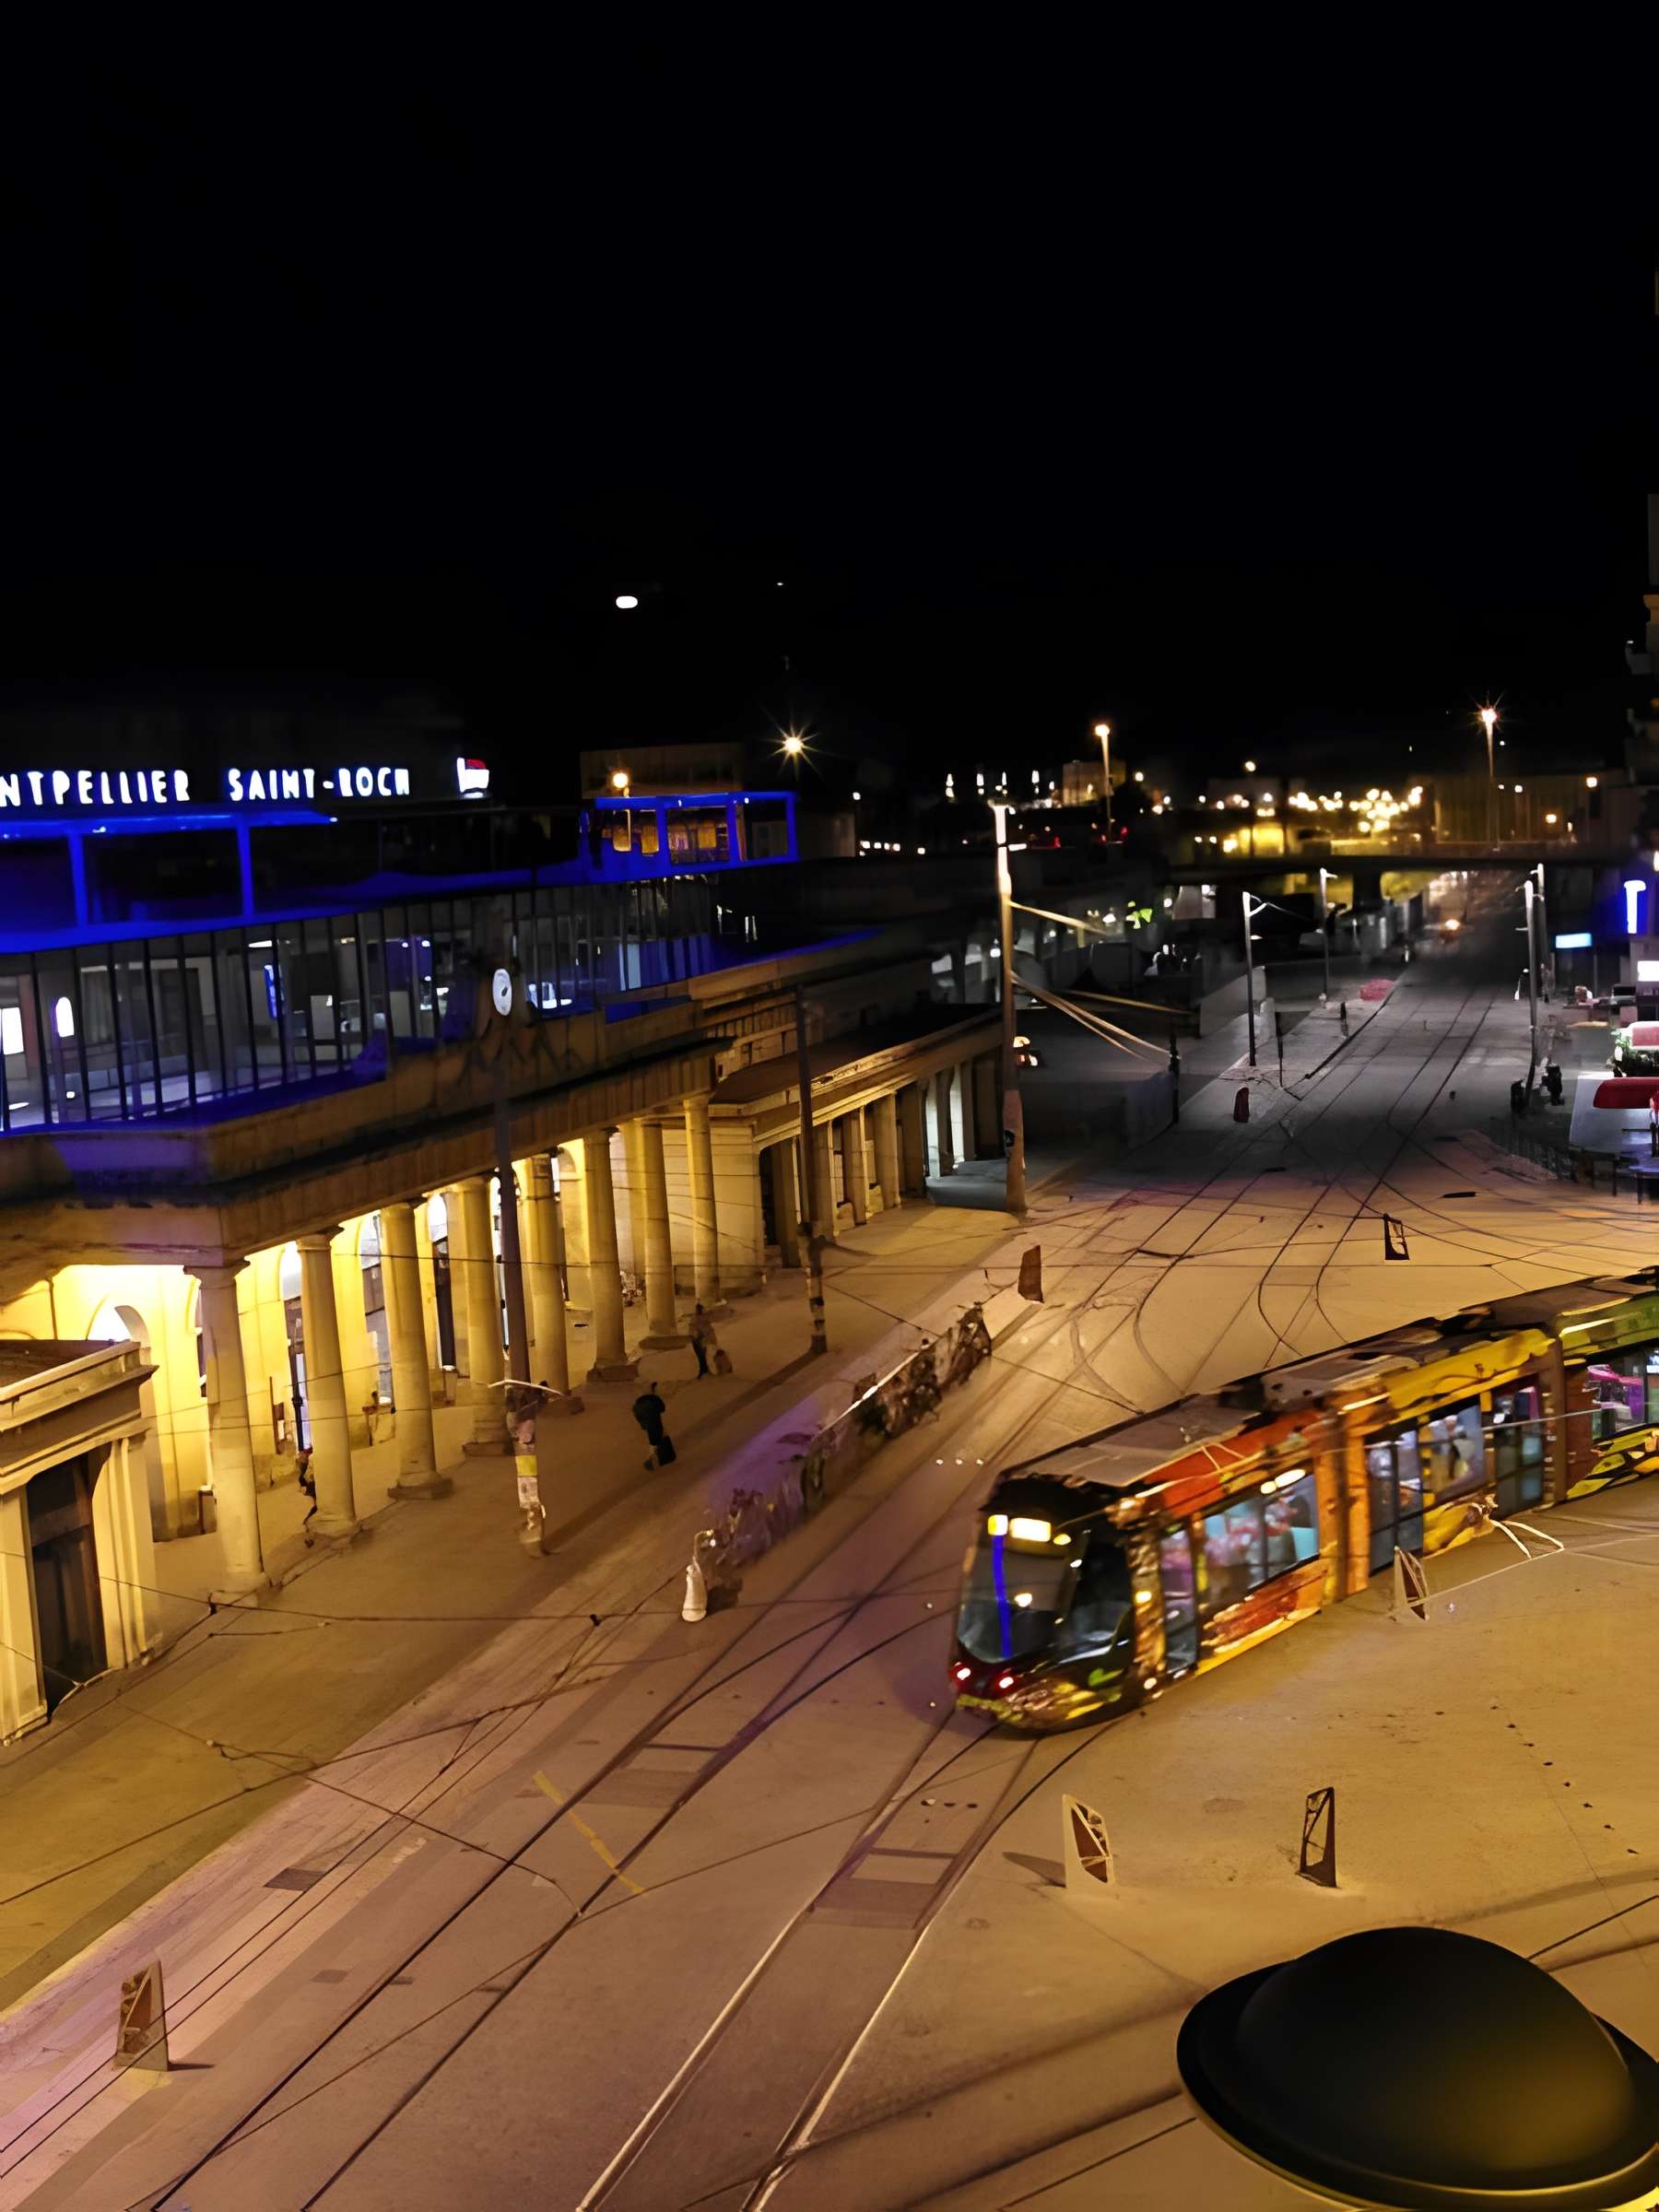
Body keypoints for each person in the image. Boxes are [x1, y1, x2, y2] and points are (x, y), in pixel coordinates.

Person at [631, 1382, 675, 1469]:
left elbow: (637, 1416)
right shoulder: (654, 1399)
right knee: (659, 1438)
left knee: (653, 1440)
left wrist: (643, 1425)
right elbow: (662, 1408)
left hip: (646, 1424)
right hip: (655, 1421)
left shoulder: (637, 1404)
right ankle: (662, 1458)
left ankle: (656, 1458)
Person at [296, 1443, 317, 1546]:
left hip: (315, 1488)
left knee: (313, 1517)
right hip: (314, 1488)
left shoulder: (313, 1457)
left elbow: (308, 1476)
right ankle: (310, 1538)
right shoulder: (310, 1458)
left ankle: (310, 1538)